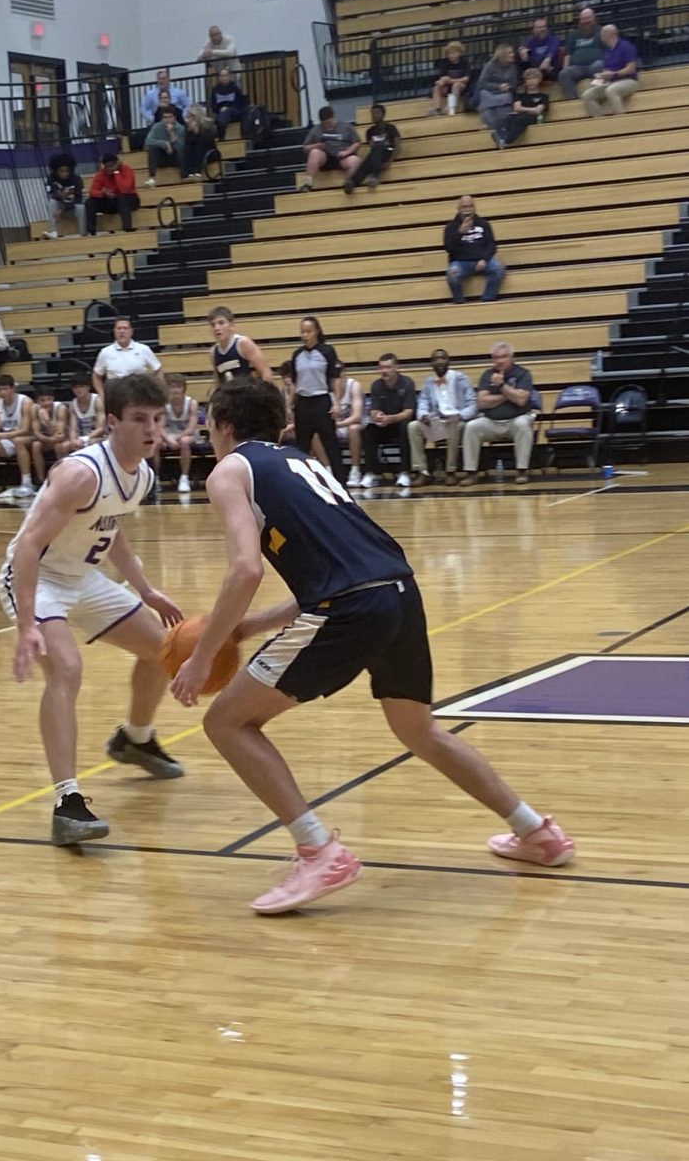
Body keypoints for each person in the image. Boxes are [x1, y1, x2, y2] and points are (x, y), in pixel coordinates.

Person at [170, 380, 575, 914]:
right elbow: (349, 569)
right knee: (419, 730)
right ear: (281, 424)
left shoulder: (229, 470)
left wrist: (203, 657)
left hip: (352, 610)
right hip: (398, 593)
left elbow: (245, 569)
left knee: (226, 722)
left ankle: (319, 851)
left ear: (222, 426)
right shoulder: (300, 464)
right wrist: (249, 628)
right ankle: (538, 833)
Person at [3, 373, 187, 845]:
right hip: (37, 578)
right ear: (111, 422)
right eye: (139, 419)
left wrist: (146, 590)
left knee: (164, 649)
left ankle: (135, 738)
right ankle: (67, 802)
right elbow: (27, 548)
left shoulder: (141, 474)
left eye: (157, 419)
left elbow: (113, 529)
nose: (151, 428)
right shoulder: (81, 472)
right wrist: (27, 626)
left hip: (81, 577)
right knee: (66, 667)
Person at [460, 342, 535, 486]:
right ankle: (471, 472)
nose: (500, 361)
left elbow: (521, 400)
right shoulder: (488, 375)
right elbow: (481, 402)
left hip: (516, 419)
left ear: (512, 357)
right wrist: (508, 395)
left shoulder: (523, 374)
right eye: (496, 358)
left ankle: (522, 470)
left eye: (504, 357)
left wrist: (501, 386)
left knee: (523, 424)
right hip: (491, 421)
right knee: (471, 427)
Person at [285, 316, 344, 482]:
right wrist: (289, 405)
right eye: (302, 332)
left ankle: (341, 485)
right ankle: (303, 484)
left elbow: (335, 379)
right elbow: (295, 384)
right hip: (303, 404)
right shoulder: (297, 354)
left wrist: (337, 403)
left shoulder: (327, 351)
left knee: (331, 446)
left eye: (308, 331)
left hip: (322, 402)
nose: (305, 335)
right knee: (301, 448)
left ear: (317, 331)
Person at [406, 348, 477, 487]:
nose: (439, 362)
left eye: (442, 358)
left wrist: (460, 415)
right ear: (431, 364)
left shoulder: (461, 378)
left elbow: (473, 404)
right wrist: (423, 415)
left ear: (448, 361)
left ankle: (450, 472)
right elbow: (423, 402)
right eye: (435, 359)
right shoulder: (429, 382)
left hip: (457, 421)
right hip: (437, 421)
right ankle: (423, 472)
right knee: (413, 426)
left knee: (454, 425)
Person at [360, 353, 416, 489]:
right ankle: (370, 473)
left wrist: (389, 419)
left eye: (388, 367)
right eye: (382, 368)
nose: (385, 371)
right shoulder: (376, 385)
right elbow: (373, 409)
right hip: (385, 425)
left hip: (401, 423)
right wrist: (377, 416)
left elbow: (408, 413)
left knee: (406, 428)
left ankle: (405, 472)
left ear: (396, 367)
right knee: (368, 430)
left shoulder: (407, 383)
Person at [0, 374, 35, 499]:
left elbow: (26, 429)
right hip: (7, 440)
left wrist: (2, 435)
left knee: (18, 441)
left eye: (5, 389)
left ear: (13, 389)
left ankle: (27, 483)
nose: (2, 392)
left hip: (28, 438)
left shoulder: (25, 402)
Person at [444, 194, 506, 303]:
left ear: (474, 207)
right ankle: (459, 301)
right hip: (460, 262)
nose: (467, 209)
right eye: (464, 207)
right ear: (458, 209)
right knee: (452, 274)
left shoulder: (483, 224)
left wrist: (484, 259)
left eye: (470, 206)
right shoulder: (451, 227)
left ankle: (488, 299)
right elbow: (449, 248)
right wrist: (460, 233)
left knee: (499, 268)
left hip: (482, 260)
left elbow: (492, 245)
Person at [92, 317, 161, 399]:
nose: (122, 331)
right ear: (114, 331)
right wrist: (103, 395)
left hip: (139, 396)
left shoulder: (143, 349)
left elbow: (159, 370)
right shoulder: (105, 352)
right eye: (119, 328)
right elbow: (96, 376)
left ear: (131, 331)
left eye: (125, 328)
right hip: (116, 397)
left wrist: (154, 391)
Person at [299, 105, 361, 193]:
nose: (327, 126)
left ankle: (348, 183)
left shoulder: (346, 127)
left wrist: (348, 152)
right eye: (324, 124)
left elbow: (357, 142)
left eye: (329, 123)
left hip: (342, 155)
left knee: (355, 161)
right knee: (314, 152)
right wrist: (316, 145)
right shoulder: (315, 130)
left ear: (333, 117)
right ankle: (308, 184)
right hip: (325, 157)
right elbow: (305, 147)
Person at [581, 24, 639, 117]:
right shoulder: (608, 51)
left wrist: (614, 74)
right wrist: (600, 78)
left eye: (602, 34)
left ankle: (621, 118)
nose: (600, 36)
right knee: (588, 95)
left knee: (611, 90)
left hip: (628, 80)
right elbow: (606, 71)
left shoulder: (625, 46)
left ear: (608, 34)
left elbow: (630, 69)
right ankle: (600, 120)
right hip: (611, 81)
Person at [209, 306, 274, 385]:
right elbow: (218, 381)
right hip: (228, 395)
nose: (217, 328)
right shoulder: (213, 352)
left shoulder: (243, 343)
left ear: (231, 325)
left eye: (221, 323)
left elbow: (266, 372)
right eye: (213, 325)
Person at [157, 372, 198, 493]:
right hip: (170, 434)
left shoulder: (191, 403)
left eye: (178, 386)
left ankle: (184, 478)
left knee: (185, 442)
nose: (175, 390)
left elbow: (191, 429)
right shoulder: (164, 405)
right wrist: (167, 439)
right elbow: (160, 426)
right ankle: (156, 478)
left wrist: (175, 439)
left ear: (184, 389)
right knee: (157, 443)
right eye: (172, 387)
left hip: (187, 434)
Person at [344, 104, 400, 192]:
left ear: (383, 114)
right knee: (371, 155)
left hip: (388, 152)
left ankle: (373, 175)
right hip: (377, 156)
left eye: (377, 113)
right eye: (372, 114)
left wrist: (390, 161)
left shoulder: (391, 128)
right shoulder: (369, 131)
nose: (374, 116)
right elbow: (372, 148)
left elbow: (397, 146)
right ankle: (353, 182)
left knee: (376, 150)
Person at [86, 153, 139, 235]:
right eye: (107, 166)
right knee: (90, 202)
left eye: (111, 166)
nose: (109, 169)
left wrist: (116, 172)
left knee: (123, 199)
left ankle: (127, 229)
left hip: (129, 199)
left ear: (117, 164)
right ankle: (91, 231)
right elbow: (92, 191)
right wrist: (102, 193)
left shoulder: (127, 169)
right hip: (111, 200)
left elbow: (125, 189)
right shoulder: (101, 173)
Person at [494, 68, 550, 147]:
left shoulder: (543, 96)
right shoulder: (520, 95)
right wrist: (530, 109)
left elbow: (538, 110)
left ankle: (506, 141)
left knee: (520, 119)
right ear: (525, 81)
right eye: (528, 79)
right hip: (521, 116)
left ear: (539, 80)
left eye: (534, 78)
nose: (531, 81)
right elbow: (517, 108)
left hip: (534, 118)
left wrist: (523, 109)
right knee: (507, 118)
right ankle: (502, 138)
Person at [559, 7, 605, 99]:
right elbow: (568, 54)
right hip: (578, 68)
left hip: (596, 65)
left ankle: (598, 95)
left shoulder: (601, 31)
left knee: (600, 65)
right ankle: (573, 98)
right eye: (584, 19)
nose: (586, 21)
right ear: (580, 20)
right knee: (564, 73)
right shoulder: (573, 35)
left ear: (594, 17)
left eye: (588, 18)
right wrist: (565, 68)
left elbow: (609, 50)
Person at [475, 44, 519, 134]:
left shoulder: (513, 67)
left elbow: (515, 83)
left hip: (505, 94)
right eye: (510, 52)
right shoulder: (490, 65)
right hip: (491, 93)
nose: (513, 54)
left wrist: (509, 86)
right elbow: (481, 83)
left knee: (508, 99)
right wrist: (498, 86)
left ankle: (500, 129)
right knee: (485, 96)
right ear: (503, 54)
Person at [29, 388, 70, 485]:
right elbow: (37, 433)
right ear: (37, 401)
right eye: (42, 400)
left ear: (53, 399)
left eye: (49, 399)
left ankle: (62, 478)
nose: (46, 403)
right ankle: (41, 481)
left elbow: (60, 434)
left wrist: (47, 421)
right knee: (36, 445)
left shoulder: (60, 408)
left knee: (59, 445)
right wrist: (50, 439)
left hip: (64, 439)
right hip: (48, 439)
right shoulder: (34, 409)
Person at [43, 152, 86, 239]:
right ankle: (53, 231)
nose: (64, 173)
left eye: (67, 171)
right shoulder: (51, 179)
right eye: (61, 171)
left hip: (73, 208)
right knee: (51, 202)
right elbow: (52, 194)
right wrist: (60, 194)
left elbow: (78, 199)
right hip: (58, 208)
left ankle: (83, 234)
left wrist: (62, 209)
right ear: (55, 171)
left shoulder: (76, 179)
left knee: (81, 207)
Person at [336, 366, 364, 486]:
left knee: (353, 428)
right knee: (317, 431)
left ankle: (355, 470)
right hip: (336, 426)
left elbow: (357, 416)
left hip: (354, 425)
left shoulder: (354, 385)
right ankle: (329, 469)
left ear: (344, 374)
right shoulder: (326, 389)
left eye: (340, 375)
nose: (338, 379)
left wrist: (338, 424)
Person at [144, 109, 186, 187]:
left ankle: (184, 177)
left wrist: (172, 134)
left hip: (175, 157)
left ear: (175, 118)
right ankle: (152, 178)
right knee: (152, 150)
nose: (167, 120)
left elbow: (181, 147)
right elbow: (148, 141)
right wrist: (165, 144)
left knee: (182, 153)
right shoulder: (157, 126)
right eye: (165, 117)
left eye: (169, 117)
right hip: (162, 157)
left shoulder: (181, 128)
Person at [429, 41, 471, 115]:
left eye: (454, 53)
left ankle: (451, 107)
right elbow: (443, 77)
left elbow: (466, 79)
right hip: (447, 85)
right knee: (437, 87)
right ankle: (437, 108)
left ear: (459, 53)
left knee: (456, 85)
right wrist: (441, 81)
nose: (451, 55)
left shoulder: (465, 62)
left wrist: (452, 80)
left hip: (460, 86)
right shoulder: (445, 63)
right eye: (449, 53)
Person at [65, 375, 105, 453]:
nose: (78, 390)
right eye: (75, 387)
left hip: (98, 437)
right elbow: (73, 428)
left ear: (88, 387)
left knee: (88, 444)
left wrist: (84, 439)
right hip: (81, 437)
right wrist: (73, 440)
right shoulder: (73, 404)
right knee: (63, 446)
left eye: (81, 386)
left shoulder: (97, 400)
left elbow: (101, 428)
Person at [209, 67, 247, 141]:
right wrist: (220, 109)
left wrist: (228, 108)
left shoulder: (235, 88)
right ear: (219, 77)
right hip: (221, 112)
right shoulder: (215, 89)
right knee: (223, 115)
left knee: (226, 113)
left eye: (225, 75)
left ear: (229, 76)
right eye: (222, 76)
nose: (224, 78)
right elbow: (213, 105)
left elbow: (239, 103)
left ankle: (221, 137)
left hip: (234, 112)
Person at [183, 104, 217, 180]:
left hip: (210, 151)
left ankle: (198, 172)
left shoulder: (208, 126)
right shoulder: (188, 128)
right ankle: (189, 173)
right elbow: (187, 143)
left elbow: (208, 142)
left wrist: (198, 132)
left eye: (191, 116)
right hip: (195, 152)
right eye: (189, 116)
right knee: (188, 149)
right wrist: (191, 133)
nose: (189, 119)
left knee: (199, 147)